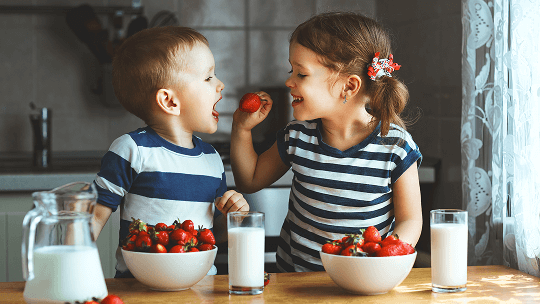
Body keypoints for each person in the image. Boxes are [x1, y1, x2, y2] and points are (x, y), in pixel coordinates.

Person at [230, 12, 422, 272]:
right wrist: (241, 129)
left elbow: (411, 221)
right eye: (291, 70)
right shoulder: (297, 136)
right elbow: (249, 180)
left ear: (349, 86)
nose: (289, 81)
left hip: (361, 281)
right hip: (295, 283)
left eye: (302, 74)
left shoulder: (395, 147)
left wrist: (384, 260)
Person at [91, 26, 249, 278]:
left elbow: (212, 235)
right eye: (208, 78)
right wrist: (69, 271)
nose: (220, 85)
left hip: (201, 289)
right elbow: (93, 219)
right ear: (170, 101)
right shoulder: (132, 150)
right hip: (139, 291)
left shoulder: (212, 159)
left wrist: (234, 218)